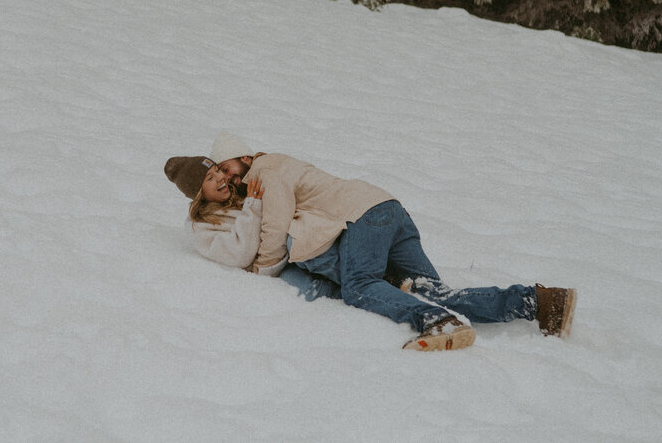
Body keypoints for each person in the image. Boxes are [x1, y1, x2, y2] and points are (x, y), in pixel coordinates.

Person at [208, 131, 577, 352]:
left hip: (363, 218)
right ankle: (540, 302)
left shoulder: (266, 170)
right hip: (387, 209)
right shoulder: (277, 165)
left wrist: (261, 269)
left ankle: (437, 322)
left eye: (227, 168)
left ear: (243, 157)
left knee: (359, 287)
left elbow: (275, 226)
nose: (229, 177)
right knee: (432, 289)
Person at [164, 155, 342, 301]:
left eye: (217, 171)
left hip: (282, 249)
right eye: (210, 178)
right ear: (198, 194)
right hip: (269, 270)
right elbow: (240, 254)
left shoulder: (236, 195)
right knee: (312, 293)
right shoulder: (201, 227)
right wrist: (253, 207)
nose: (221, 178)